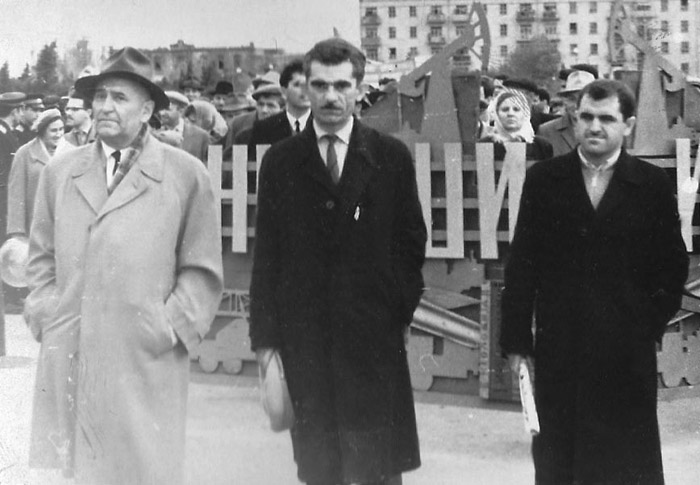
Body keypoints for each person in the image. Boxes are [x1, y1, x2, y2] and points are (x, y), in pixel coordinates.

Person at [25, 46, 223, 484]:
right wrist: (48, 314)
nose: (104, 107)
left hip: (145, 359)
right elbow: (39, 258)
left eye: (119, 97)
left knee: (143, 471)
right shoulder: (60, 172)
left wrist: (165, 327)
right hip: (73, 353)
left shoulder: (185, 174)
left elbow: (202, 272)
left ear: (147, 109)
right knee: (80, 471)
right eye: (99, 96)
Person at [250, 37, 426, 485]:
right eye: (320, 85)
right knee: (320, 466)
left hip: (372, 341)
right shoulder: (282, 162)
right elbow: (267, 255)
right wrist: (266, 339)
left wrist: (395, 311)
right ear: (305, 88)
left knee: (375, 466)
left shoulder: (389, 157)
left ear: (360, 89)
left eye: (342, 85)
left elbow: (410, 244)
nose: (331, 97)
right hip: (306, 343)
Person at [500, 79, 689, 484]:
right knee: (560, 465)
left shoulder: (651, 185)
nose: (594, 127)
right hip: (559, 351)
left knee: (625, 466)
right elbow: (522, 264)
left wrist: (644, 327)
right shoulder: (545, 180)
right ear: (574, 119)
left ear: (628, 125)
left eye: (607, 118)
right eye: (586, 116)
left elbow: (672, 268)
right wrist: (516, 340)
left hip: (625, 356)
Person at [7, 108, 64, 239]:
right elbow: (16, 196)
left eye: (61, 129)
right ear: (42, 132)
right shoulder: (24, 153)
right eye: (53, 131)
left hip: (64, 226)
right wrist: (17, 232)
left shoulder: (71, 151)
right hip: (35, 227)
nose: (59, 134)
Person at [248, 59, 312, 149]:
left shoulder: (325, 124)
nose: (304, 91)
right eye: (297, 85)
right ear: (284, 91)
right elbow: (257, 157)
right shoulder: (264, 128)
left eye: (309, 85)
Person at [479, 91, 553, 161]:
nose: (510, 114)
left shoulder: (541, 146)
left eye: (516, 109)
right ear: (497, 114)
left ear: (525, 114)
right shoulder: (485, 144)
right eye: (505, 109)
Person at [538, 69, 596, 157]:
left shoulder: (605, 130)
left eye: (583, 99)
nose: (576, 105)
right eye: (572, 99)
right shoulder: (546, 131)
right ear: (564, 101)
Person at [156, 90, 210, 162]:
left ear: (181, 111)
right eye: (160, 109)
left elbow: (215, 166)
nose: (161, 113)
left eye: (167, 109)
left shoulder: (202, 136)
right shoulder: (153, 133)